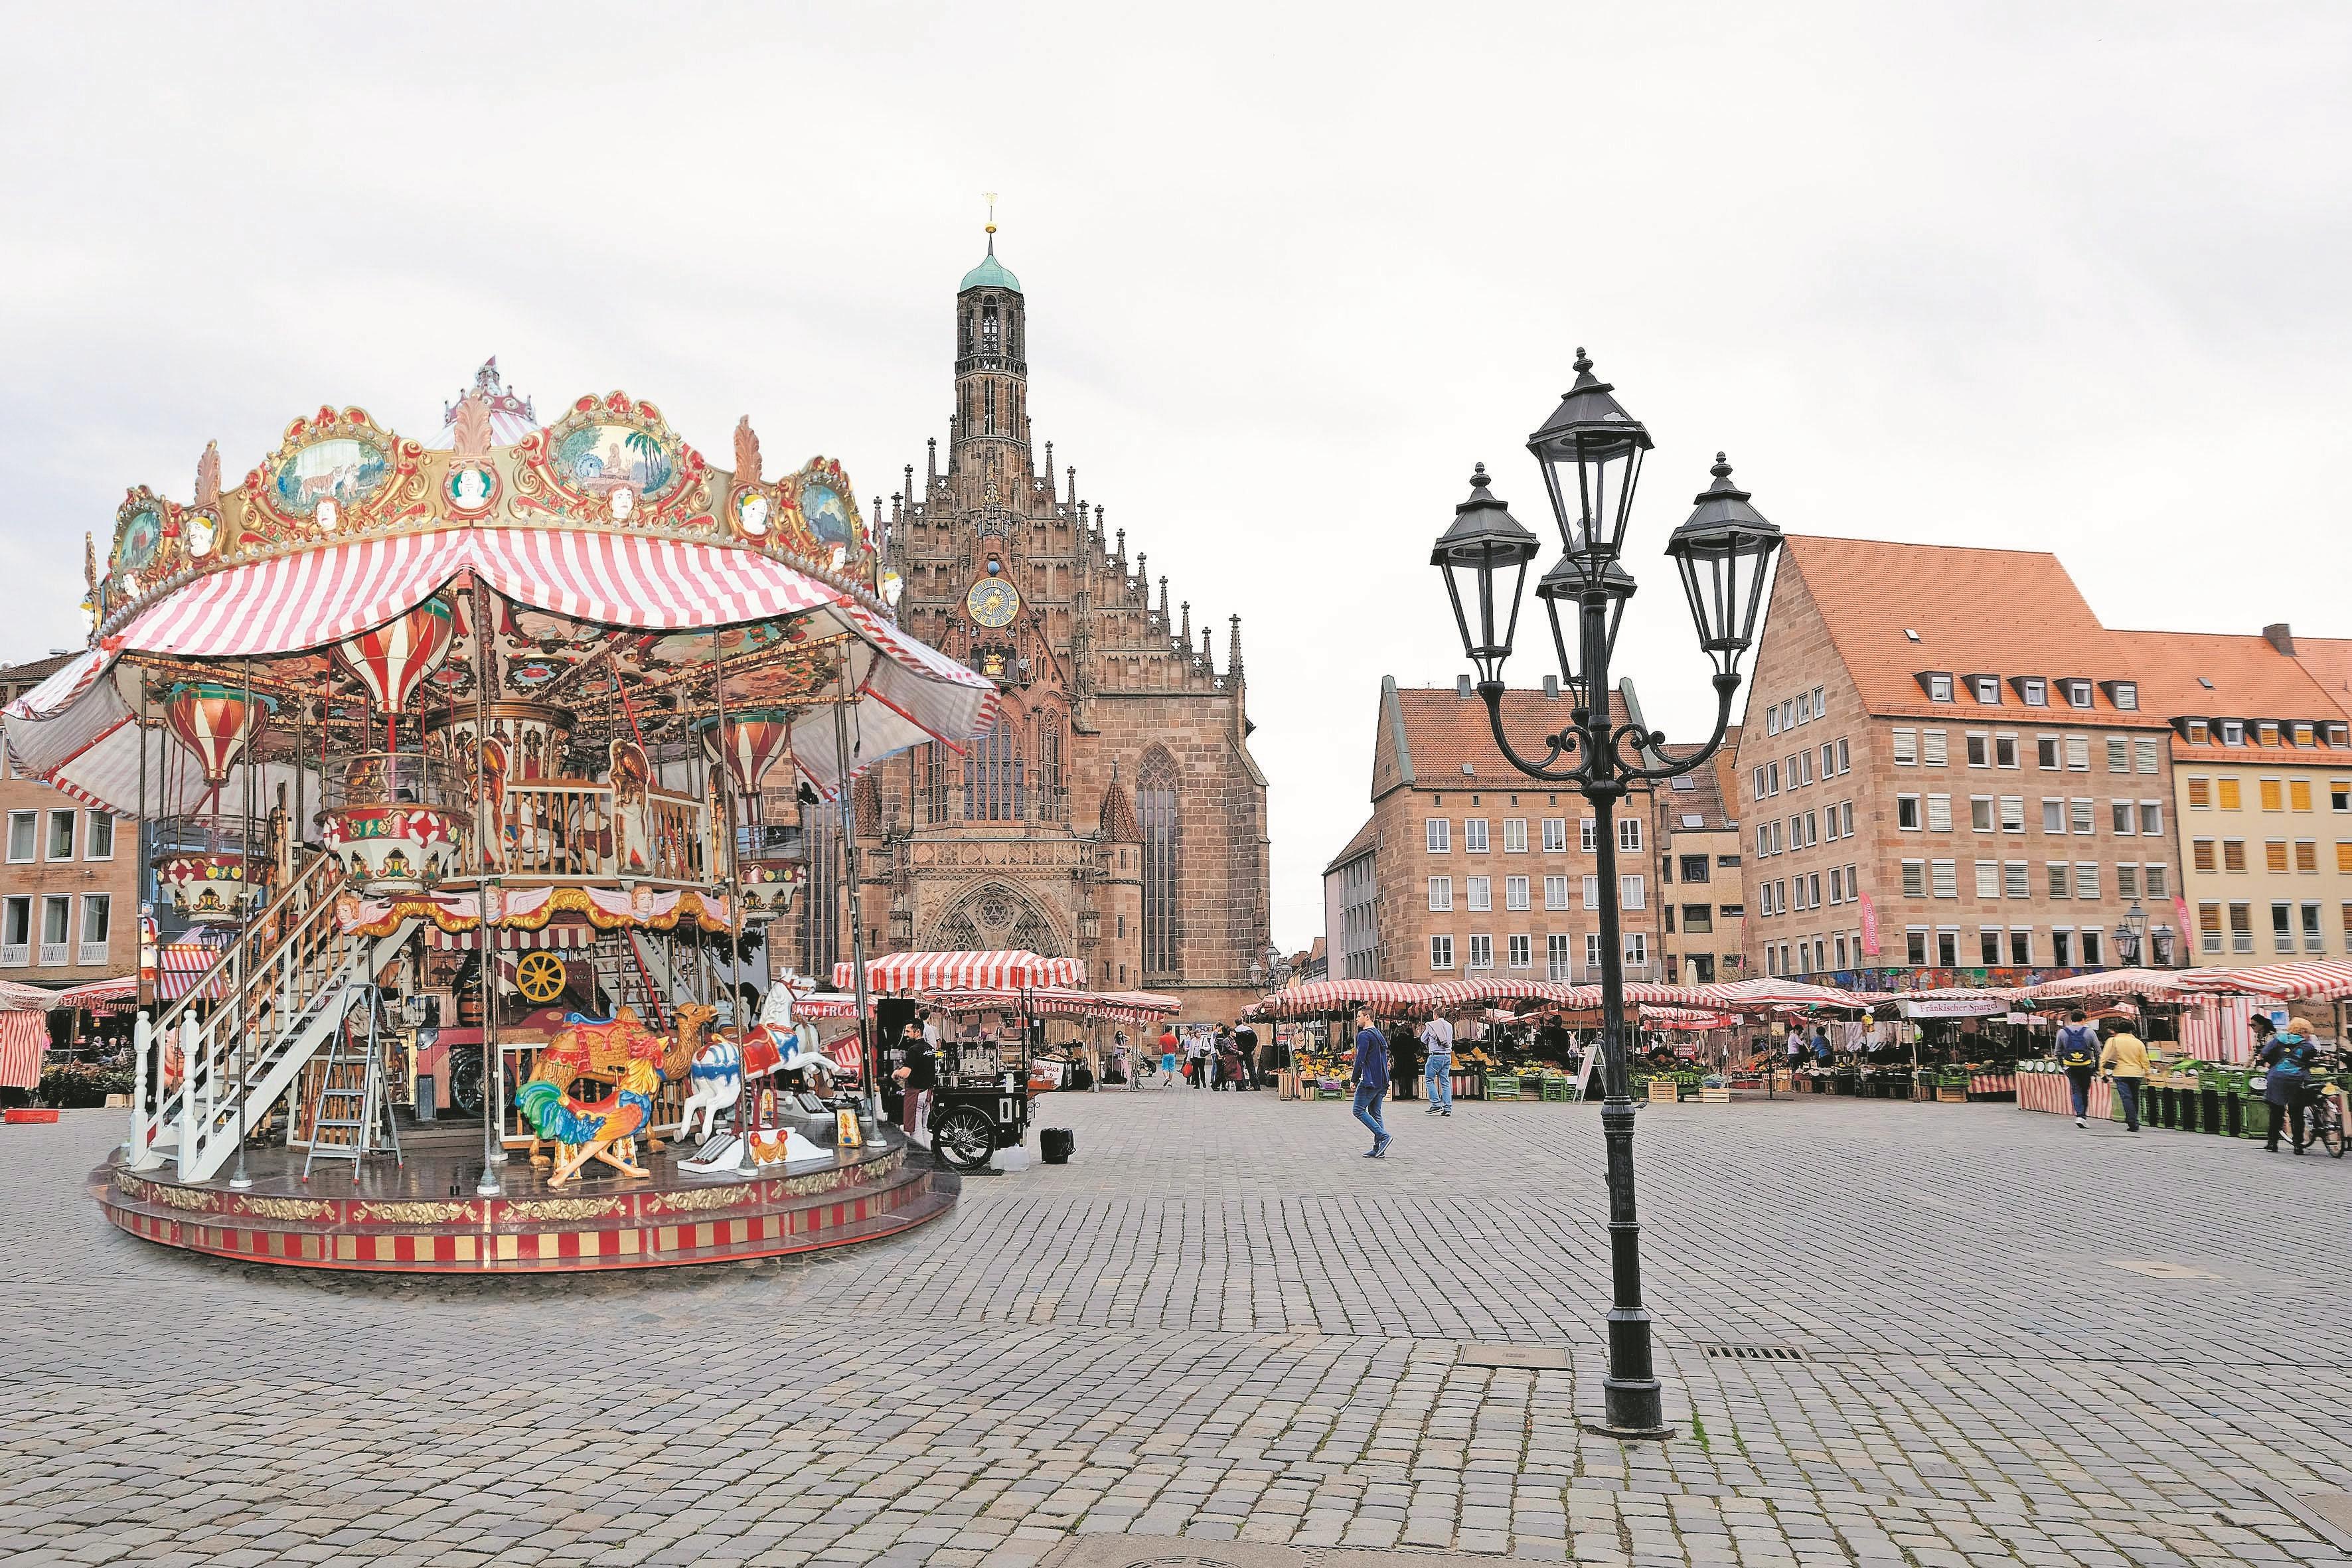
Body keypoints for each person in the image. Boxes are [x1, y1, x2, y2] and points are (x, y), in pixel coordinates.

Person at [2258, 1015, 2324, 1154]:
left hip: (2277, 1079)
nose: (2309, 1036)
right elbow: (2312, 1056)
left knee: (2276, 1112)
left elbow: (2265, 1053)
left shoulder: (2278, 1040)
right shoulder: (2307, 1046)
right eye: (2307, 1032)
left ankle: (2272, 1143)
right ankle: (2298, 1146)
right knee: (2296, 1113)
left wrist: (2275, 1062)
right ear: (2302, 1032)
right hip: (2297, 1080)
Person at [1349, 1007, 1391, 1157]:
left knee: (1358, 1110)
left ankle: (1383, 1136)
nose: (1357, 1019)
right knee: (1375, 1113)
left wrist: (1354, 1080)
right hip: (1383, 1080)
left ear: (1367, 1017)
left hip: (1370, 1080)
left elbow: (1360, 1059)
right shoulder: (1378, 1034)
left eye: (1359, 1016)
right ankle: (1379, 1148)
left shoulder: (1364, 1035)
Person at [2098, 1022, 2150, 1134]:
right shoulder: (2138, 1043)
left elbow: (2104, 1058)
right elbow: (2145, 1060)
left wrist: (2103, 1074)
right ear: (2131, 1031)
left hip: (2120, 1074)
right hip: (2136, 1074)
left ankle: (2132, 1122)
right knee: (2135, 1098)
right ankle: (2133, 1120)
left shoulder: (2113, 1041)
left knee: (2127, 1098)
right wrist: (2148, 1074)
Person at [2055, 1010, 2101, 1127]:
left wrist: (2063, 1066)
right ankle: (2082, 1116)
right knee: (2084, 1091)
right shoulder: (2090, 1032)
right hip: (2086, 1066)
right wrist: (2096, 1068)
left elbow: (2058, 1052)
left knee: (2076, 1090)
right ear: (2083, 1020)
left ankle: (2079, 1115)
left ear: (2071, 1019)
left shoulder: (2062, 1032)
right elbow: (2098, 1052)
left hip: (2070, 1066)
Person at [1420, 1010, 1454, 1116]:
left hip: (1435, 1056)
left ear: (1435, 1015)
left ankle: (1436, 1103)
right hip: (1447, 1056)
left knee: (1429, 1079)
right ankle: (1448, 1108)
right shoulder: (1449, 1025)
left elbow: (1422, 1039)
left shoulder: (1431, 1025)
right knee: (1445, 1081)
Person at [1234, 1020, 1259, 1089]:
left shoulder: (1236, 1031)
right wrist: (1251, 1049)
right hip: (1248, 1052)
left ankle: (1242, 1086)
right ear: (1242, 1022)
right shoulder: (1249, 1030)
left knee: (1241, 1069)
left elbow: (1234, 1042)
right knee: (1251, 1069)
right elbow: (1255, 1040)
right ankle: (1255, 1085)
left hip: (1240, 1052)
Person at [1158, 1024, 1179, 1089]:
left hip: (1165, 1054)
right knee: (1171, 1069)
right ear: (1170, 1031)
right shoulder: (1174, 1037)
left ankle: (1166, 1077)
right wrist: (1175, 1052)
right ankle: (1170, 1082)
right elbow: (1178, 1047)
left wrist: (1161, 1053)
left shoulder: (1162, 1038)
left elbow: (1160, 1048)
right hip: (1172, 1054)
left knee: (1165, 1068)